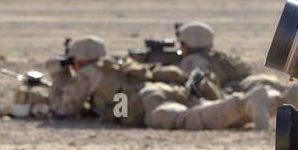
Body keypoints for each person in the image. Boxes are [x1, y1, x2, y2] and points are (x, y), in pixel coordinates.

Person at [53, 35, 267, 129]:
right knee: (205, 108)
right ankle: (256, 104)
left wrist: (57, 76)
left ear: (78, 60)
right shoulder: (115, 63)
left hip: (149, 101)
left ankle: (242, 104)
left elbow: (63, 109)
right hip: (163, 89)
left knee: (187, 119)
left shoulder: (88, 73)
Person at [175, 21, 298, 120]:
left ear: (189, 44)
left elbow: (193, 85)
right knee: (279, 92)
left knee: (264, 101)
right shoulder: (220, 56)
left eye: (182, 43)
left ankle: (291, 100)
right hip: (258, 79)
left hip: (243, 87)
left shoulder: (192, 60)